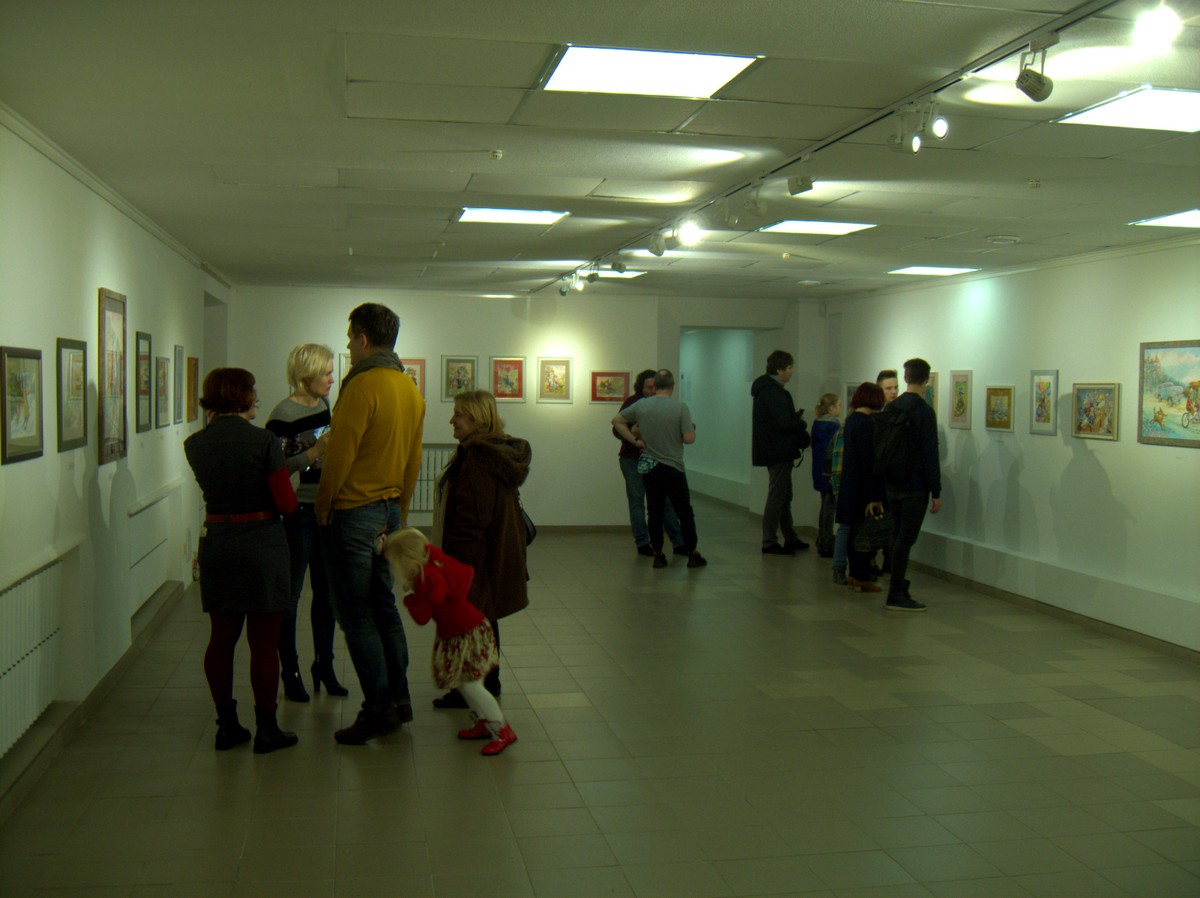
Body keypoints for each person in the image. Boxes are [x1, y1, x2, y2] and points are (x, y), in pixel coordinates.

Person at [316, 303, 425, 744]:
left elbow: (340, 455)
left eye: (350, 338)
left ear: (363, 339)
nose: (348, 346)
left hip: (352, 511)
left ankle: (378, 707)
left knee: (356, 614)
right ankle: (400, 699)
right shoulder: (408, 388)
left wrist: (323, 505)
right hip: (388, 510)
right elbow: (414, 459)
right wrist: (401, 511)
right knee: (384, 607)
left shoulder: (361, 386)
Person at [184, 367, 299, 754]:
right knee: (263, 643)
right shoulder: (263, 441)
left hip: (218, 543)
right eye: (252, 390)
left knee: (221, 638)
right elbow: (286, 503)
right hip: (262, 544)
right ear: (243, 395)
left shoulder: (195, 444)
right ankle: (267, 728)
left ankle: (227, 725)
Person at [431, 390, 531, 708]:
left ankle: (478, 687)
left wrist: (453, 566)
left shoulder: (477, 458)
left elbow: (472, 518)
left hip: (476, 557)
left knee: (473, 622)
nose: (452, 419)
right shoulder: (490, 451)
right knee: (483, 620)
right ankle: (486, 683)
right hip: (489, 554)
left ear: (477, 419)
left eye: (458, 414)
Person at [384, 528, 517, 755]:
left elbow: (422, 617)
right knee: (464, 683)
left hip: (465, 634)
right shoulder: (435, 562)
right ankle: (484, 721)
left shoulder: (426, 580)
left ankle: (502, 728)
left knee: (472, 686)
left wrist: (409, 597)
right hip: (470, 629)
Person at [266, 343, 348, 703]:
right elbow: (276, 469)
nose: (331, 378)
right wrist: (314, 452)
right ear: (306, 376)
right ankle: (291, 671)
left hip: (325, 508)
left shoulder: (324, 405)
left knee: (326, 594)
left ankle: (324, 665)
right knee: (292, 596)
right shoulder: (282, 415)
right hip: (298, 512)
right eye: (326, 373)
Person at [612, 370, 706, 569]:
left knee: (654, 511)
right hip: (673, 467)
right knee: (684, 511)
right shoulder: (680, 407)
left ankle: (658, 554)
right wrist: (687, 429)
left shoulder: (642, 405)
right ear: (672, 386)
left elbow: (617, 421)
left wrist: (637, 440)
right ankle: (692, 552)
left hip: (650, 466)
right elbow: (689, 438)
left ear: (655, 386)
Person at [882, 357, 941, 612]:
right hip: (915, 484)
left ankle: (897, 585)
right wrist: (936, 490)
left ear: (905, 378)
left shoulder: (891, 408)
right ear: (926, 380)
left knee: (896, 534)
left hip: (892, 481)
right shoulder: (924, 411)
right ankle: (895, 592)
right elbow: (930, 453)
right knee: (906, 538)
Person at [751, 350, 810, 555]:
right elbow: (783, 423)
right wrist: (800, 423)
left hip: (774, 450)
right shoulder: (773, 393)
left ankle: (789, 537)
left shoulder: (767, 390)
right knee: (778, 496)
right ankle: (770, 541)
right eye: (789, 368)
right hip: (779, 450)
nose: (792, 372)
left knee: (784, 495)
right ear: (779, 370)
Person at [834, 382, 887, 593]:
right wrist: (876, 494)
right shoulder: (867, 423)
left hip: (850, 485)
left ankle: (854, 575)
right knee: (864, 534)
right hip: (863, 488)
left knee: (853, 531)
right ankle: (861, 576)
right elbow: (869, 460)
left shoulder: (852, 420)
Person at [810, 393, 842, 558]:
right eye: (839, 405)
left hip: (818, 471)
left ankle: (822, 537)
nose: (841, 408)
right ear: (831, 408)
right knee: (829, 507)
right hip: (830, 471)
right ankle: (827, 541)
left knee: (825, 505)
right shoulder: (835, 427)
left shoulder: (816, 425)